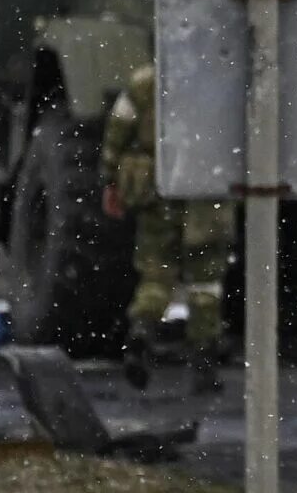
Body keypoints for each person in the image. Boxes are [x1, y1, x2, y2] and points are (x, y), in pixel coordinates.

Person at [99, 65, 236, 393]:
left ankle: (141, 334)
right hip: (208, 187)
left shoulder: (145, 81)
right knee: (205, 280)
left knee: (156, 274)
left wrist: (110, 179)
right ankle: (203, 362)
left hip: (158, 185)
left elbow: (117, 131)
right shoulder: (226, 78)